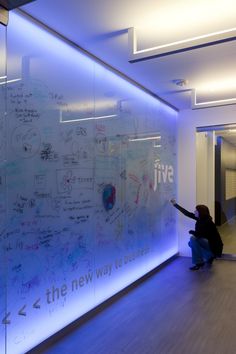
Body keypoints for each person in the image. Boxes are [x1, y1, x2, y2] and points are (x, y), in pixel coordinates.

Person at [170, 199, 223, 270]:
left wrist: (191, 231)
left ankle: (199, 262)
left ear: (201, 212)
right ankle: (209, 256)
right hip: (208, 243)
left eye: (196, 210)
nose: (194, 211)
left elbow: (200, 234)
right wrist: (175, 204)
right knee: (190, 243)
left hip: (213, 245)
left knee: (193, 239)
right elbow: (187, 213)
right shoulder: (200, 218)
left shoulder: (207, 222)